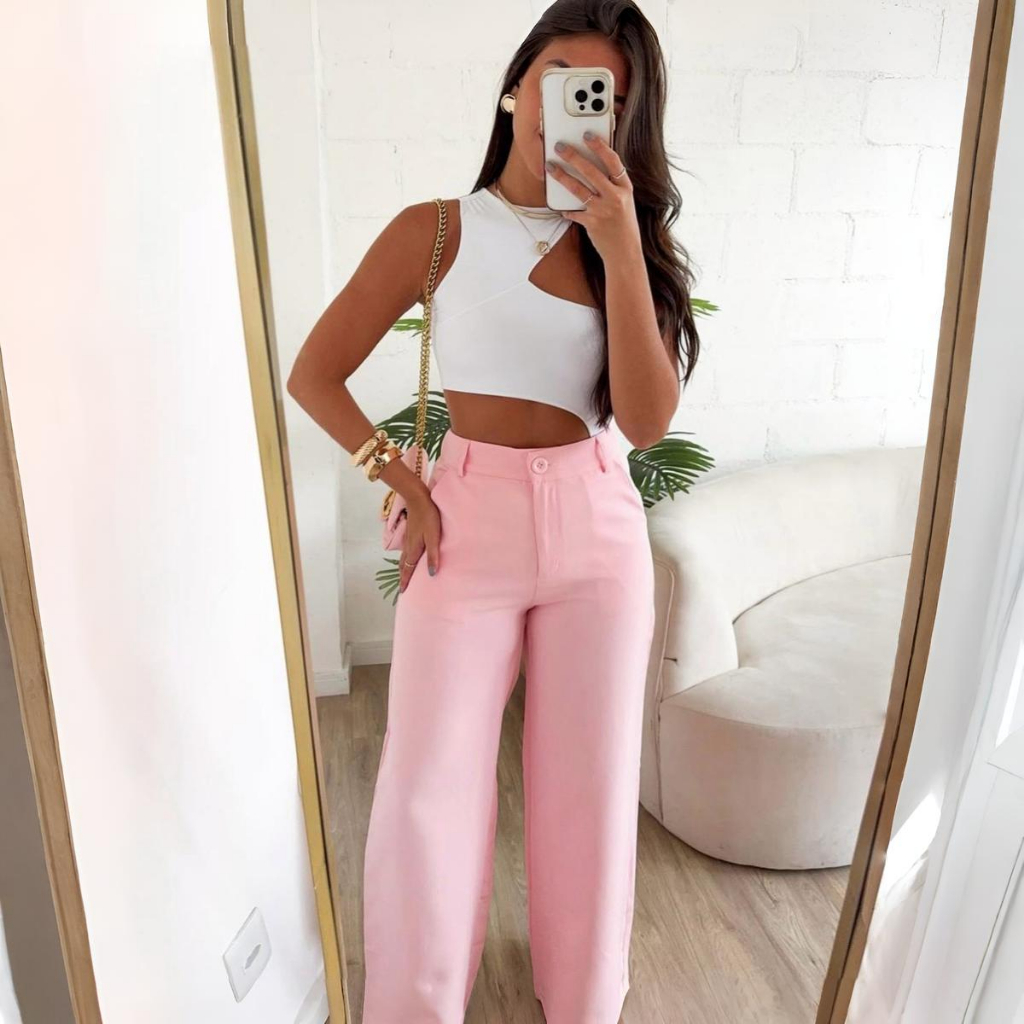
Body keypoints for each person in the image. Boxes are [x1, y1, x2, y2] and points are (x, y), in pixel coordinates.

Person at [287, 2, 701, 1019]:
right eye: (558, 78)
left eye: (603, 97)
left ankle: (582, 1000)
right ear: (517, 88)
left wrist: (619, 244)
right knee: (428, 787)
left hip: (597, 529)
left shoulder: (625, 243)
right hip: (466, 522)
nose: (573, 107)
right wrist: (401, 478)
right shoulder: (435, 230)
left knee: (588, 790)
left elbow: (647, 424)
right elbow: (315, 373)